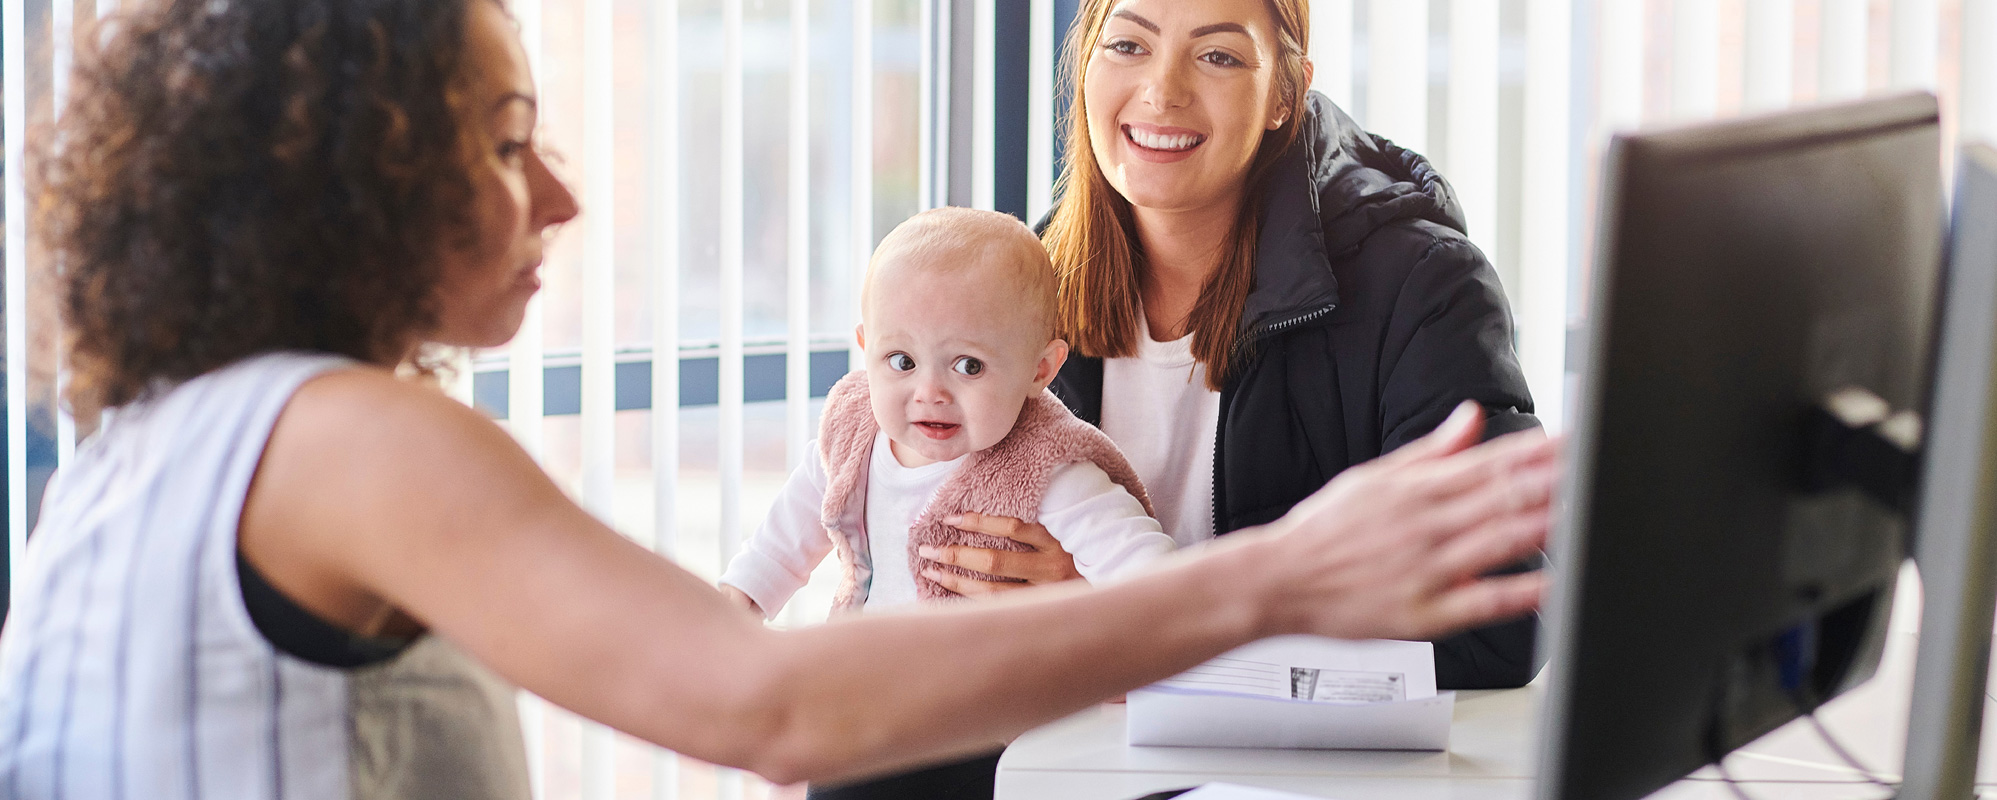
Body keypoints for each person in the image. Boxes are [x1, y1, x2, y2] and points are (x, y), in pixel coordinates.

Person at [0, 1, 1557, 799]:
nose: (561, 196)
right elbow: (759, 702)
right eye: (504, 141)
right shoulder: (343, 440)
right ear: (346, 184)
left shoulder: (165, 429)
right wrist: (1275, 575)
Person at [927, 0, 1544, 688]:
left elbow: (1499, 630)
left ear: (1284, 92)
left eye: (1216, 55)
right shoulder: (1027, 284)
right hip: (1069, 743)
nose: (1162, 91)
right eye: (1128, 46)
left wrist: (1115, 624)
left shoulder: (1419, 286)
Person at [720, 207, 1175, 621]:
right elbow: (773, 553)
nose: (930, 392)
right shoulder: (850, 435)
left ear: (1041, 370)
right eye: (902, 361)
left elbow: (1157, 582)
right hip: (864, 684)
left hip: (989, 700)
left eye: (968, 366)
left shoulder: (1045, 468)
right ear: (866, 349)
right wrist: (727, 621)